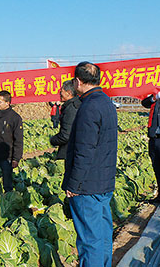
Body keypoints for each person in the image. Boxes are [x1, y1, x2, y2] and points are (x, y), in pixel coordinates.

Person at [62, 62, 118, 266]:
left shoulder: (88, 107)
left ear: (78, 81)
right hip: (103, 182)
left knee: (89, 241)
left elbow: (84, 151)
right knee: (102, 235)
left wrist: (74, 185)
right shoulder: (106, 103)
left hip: (87, 186)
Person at [50, 80, 81, 160]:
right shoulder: (77, 104)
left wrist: (53, 140)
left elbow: (66, 135)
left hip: (69, 151)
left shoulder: (71, 109)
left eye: (61, 91)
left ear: (68, 93)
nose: (60, 93)